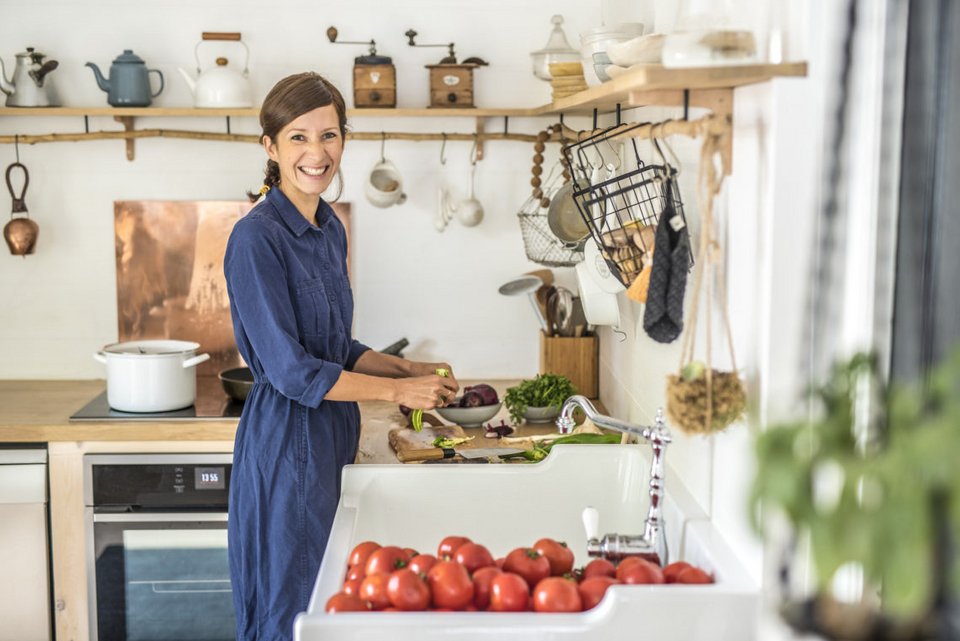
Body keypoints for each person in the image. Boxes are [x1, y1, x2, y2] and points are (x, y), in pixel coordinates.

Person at [223, 72, 459, 641]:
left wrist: (408, 369)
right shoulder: (256, 239)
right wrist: (398, 392)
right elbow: (291, 370)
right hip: (288, 443)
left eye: (328, 135)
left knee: (331, 600)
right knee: (292, 611)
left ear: (344, 140)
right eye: (298, 137)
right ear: (270, 147)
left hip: (332, 433)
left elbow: (335, 347)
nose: (317, 152)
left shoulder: (329, 229)